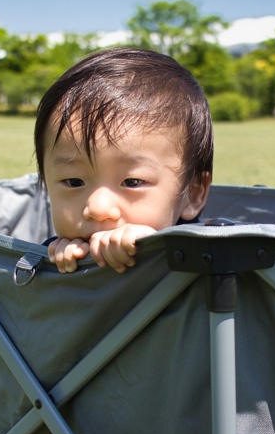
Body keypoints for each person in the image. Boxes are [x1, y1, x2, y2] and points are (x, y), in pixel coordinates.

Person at [34, 47, 213, 273]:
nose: (98, 208)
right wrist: (58, 268)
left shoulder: (213, 261)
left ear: (193, 194)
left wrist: (155, 252)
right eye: (74, 182)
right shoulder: (48, 262)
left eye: (132, 182)